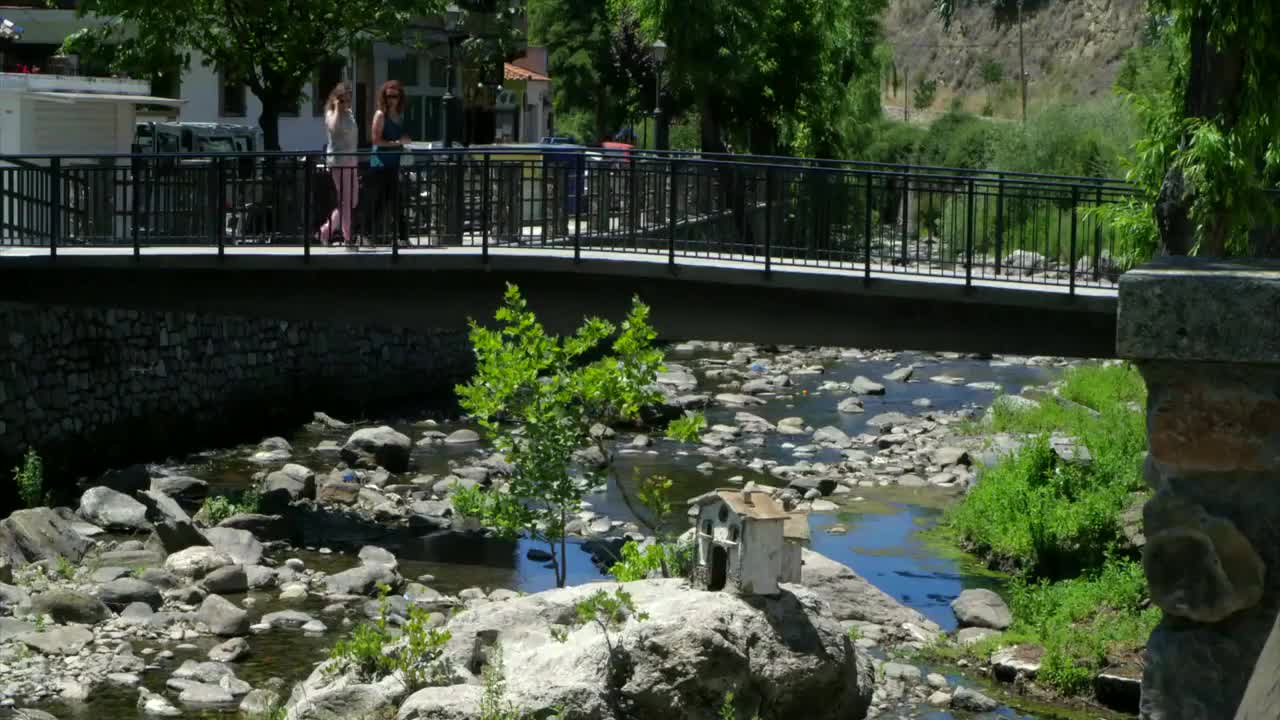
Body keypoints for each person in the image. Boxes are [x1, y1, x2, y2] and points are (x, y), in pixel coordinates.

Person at [366, 79, 411, 244]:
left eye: (395, 96)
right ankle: (366, 235)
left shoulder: (399, 116)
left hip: (393, 163)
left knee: (393, 201)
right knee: (381, 201)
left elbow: (399, 138)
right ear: (384, 97)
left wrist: (403, 143)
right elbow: (376, 140)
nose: (392, 99)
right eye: (389, 96)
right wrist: (398, 143)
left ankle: (400, 237)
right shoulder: (380, 115)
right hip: (380, 163)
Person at [317, 82, 359, 248]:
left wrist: (345, 109)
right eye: (343, 99)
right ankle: (348, 238)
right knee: (346, 201)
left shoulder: (349, 114)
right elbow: (334, 128)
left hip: (352, 161)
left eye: (349, 99)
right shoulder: (331, 114)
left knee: (352, 201)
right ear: (336, 99)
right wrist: (336, 108)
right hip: (338, 162)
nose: (347, 103)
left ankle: (325, 231)